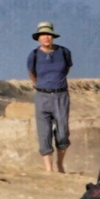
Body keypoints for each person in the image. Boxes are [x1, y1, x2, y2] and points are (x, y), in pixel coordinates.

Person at [27, 22, 74, 173]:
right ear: (38, 38)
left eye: (48, 34)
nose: (46, 37)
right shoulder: (33, 55)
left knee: (62, 132)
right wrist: (41, 85)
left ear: (53, 36)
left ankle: (60, 164)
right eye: (43, 35)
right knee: (44, 132)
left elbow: (66, 69)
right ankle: (49, 168)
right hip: (42, 96)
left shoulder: (64, 52)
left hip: (61, 95)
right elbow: (32, 74)